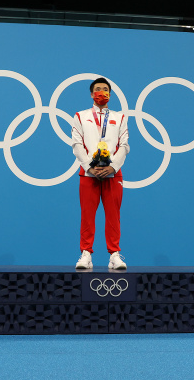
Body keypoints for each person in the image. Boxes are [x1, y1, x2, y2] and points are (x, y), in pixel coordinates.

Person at [71, 78, 130, 270]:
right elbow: (77, 145)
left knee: (113, 216)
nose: (101, 92)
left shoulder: (120, 117)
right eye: (97, 89)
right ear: (91, 94)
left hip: (113, 174)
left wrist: (112, 167)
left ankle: (114, 254)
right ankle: (86, 253)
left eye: (105, 90)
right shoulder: (80, 116)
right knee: (87, 215)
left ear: (110, 95)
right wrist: (89, 166)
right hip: (89, 174)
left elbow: (124, 146)